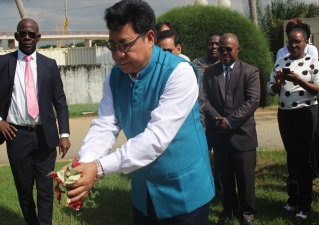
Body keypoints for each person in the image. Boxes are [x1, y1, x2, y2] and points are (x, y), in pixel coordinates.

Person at [65, 0, 214, 224]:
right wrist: (84, 165)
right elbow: (106, 124)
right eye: (112, 45)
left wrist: (98, 168)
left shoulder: (179, 73)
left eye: (124, 45)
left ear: (150, 37)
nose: (117, 54)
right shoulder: (115, 76)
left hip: (184, 191)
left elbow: (155, 139)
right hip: (144, 192)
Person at [0, 18, 70, 225]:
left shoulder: (49, 65)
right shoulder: (3, 63)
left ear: (38, 37)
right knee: (24, 189)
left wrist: (64, 134)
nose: (27, 37)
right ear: (17, 37)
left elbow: (60, 101)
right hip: (16, 136)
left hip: (45, 136)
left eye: (31, 34)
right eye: (23, 33)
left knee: (45, 189)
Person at [203, 33, 260, 225]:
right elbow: (204, 99)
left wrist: (231, 121)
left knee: (245, 177)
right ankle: (228, 210)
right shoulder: (210, 72)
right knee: (224, 176)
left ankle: (247, 213)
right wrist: (218, 120)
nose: (224, 52)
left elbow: (253, 101)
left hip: (242, 134)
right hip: (219, 133)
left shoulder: (250, 72)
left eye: (229, 48)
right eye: (221, 49)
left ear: (237, 49)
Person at [267, 23, 319, 221]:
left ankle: (305, 205)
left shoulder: (313, 61)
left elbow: (317, 88)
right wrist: (279, 83)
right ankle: (293, 197)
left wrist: (299, 81)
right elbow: (271, 90)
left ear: (306, 42)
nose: (293, 46)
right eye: (290, 42)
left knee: (304, 158)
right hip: (285, 113)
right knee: (291, 156)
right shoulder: (281, 61)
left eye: (297, 42)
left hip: (306, 112)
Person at [193, 33, 222, 198]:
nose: (214, 47)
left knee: (220, 157)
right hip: (200, 117)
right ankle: (203, 190)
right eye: (211, 43)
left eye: (217, 44)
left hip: (219, 118)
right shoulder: (196, 64)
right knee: (203, 155)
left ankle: (219, 190)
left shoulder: (225, 63)